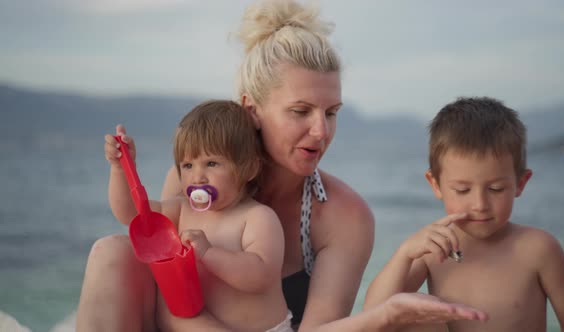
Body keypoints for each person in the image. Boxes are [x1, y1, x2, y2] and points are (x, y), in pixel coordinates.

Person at [76, 1, 488, 331]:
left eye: (331, 113)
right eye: (300, 111)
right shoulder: (194, 181)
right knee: (112, 252)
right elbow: (145, 240)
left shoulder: (344, 216)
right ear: (251, 110)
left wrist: (384, 314)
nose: (321, 131)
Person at [364, 97, 564, 331]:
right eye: (463, 190)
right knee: (417, 318)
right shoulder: (433, 251)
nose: (480, 204)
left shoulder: (538, 248)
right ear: (436, 184)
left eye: (496, 189)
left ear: (520, 183)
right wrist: (404, 254)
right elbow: (373, 316)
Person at [104, 100, 293, 332]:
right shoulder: (182, 210)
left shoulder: (257, 218)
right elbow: (131, 214)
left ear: (250, 169)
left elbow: (260, 276)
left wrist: (209, 253)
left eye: (212, 163)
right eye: (187, 166)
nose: (198, 177)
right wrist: (121, 169)